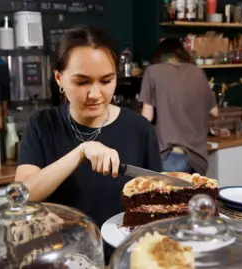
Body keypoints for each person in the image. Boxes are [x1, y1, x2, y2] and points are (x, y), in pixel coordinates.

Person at [15, 25, 162, 228]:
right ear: (59, 78)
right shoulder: (42, 125)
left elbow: (156, 202)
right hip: (64, 252)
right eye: (82, 82)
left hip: (123, 253)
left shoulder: (139, 128)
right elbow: (20, 196)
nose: (94, 94)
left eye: (106, 81)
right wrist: (80, 152)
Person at [139, 38, 218, 175]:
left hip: (171, 157)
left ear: (159, 56)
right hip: (198, 160)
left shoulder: (152, 71)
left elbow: (146, 117)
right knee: (192, 197)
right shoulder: (198, 72)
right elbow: (214, 112)